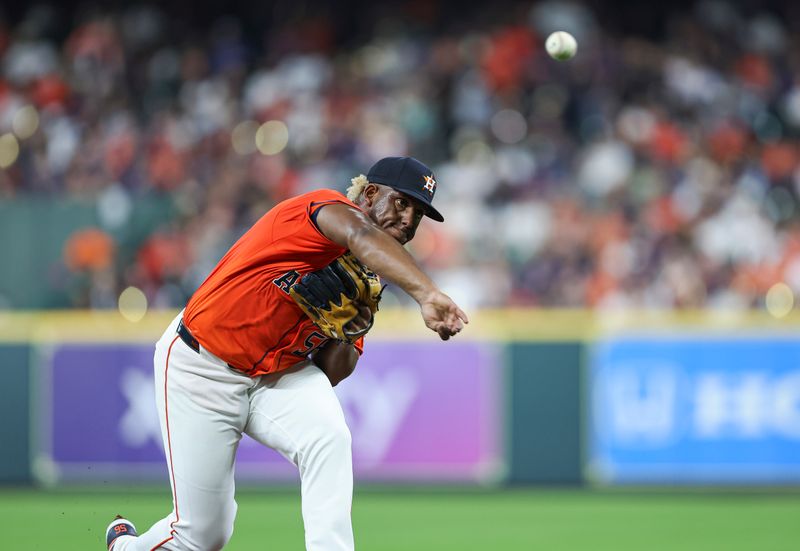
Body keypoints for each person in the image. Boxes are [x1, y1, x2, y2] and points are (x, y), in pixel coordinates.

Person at [105, 156, 468, 551]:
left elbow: (332, 372)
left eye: (419, 214)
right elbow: (361, 235)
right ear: (370, 193)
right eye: (403, 203)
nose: (408, 220)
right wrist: (428, 293)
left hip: (276, 374)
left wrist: (349, 332)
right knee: (202, 536)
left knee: (328, 437)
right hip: (201, 365)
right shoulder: (323, 210)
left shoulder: (370, 280)